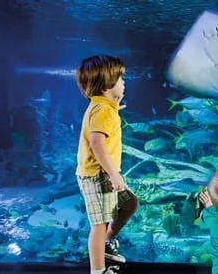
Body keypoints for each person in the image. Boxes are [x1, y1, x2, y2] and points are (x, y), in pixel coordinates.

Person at [75, 55, 139, 274]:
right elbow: (96, 143)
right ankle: (98, 270)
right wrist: (114, 174)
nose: (124, 82)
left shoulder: (103, 107)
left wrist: (113, 108)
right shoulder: (103, 110)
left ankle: (107, 243)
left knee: (130, 203)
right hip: (98, 176)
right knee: (99, 225)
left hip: (102, 175)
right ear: (107, 84)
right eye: (120, 78)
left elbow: (101, 121)